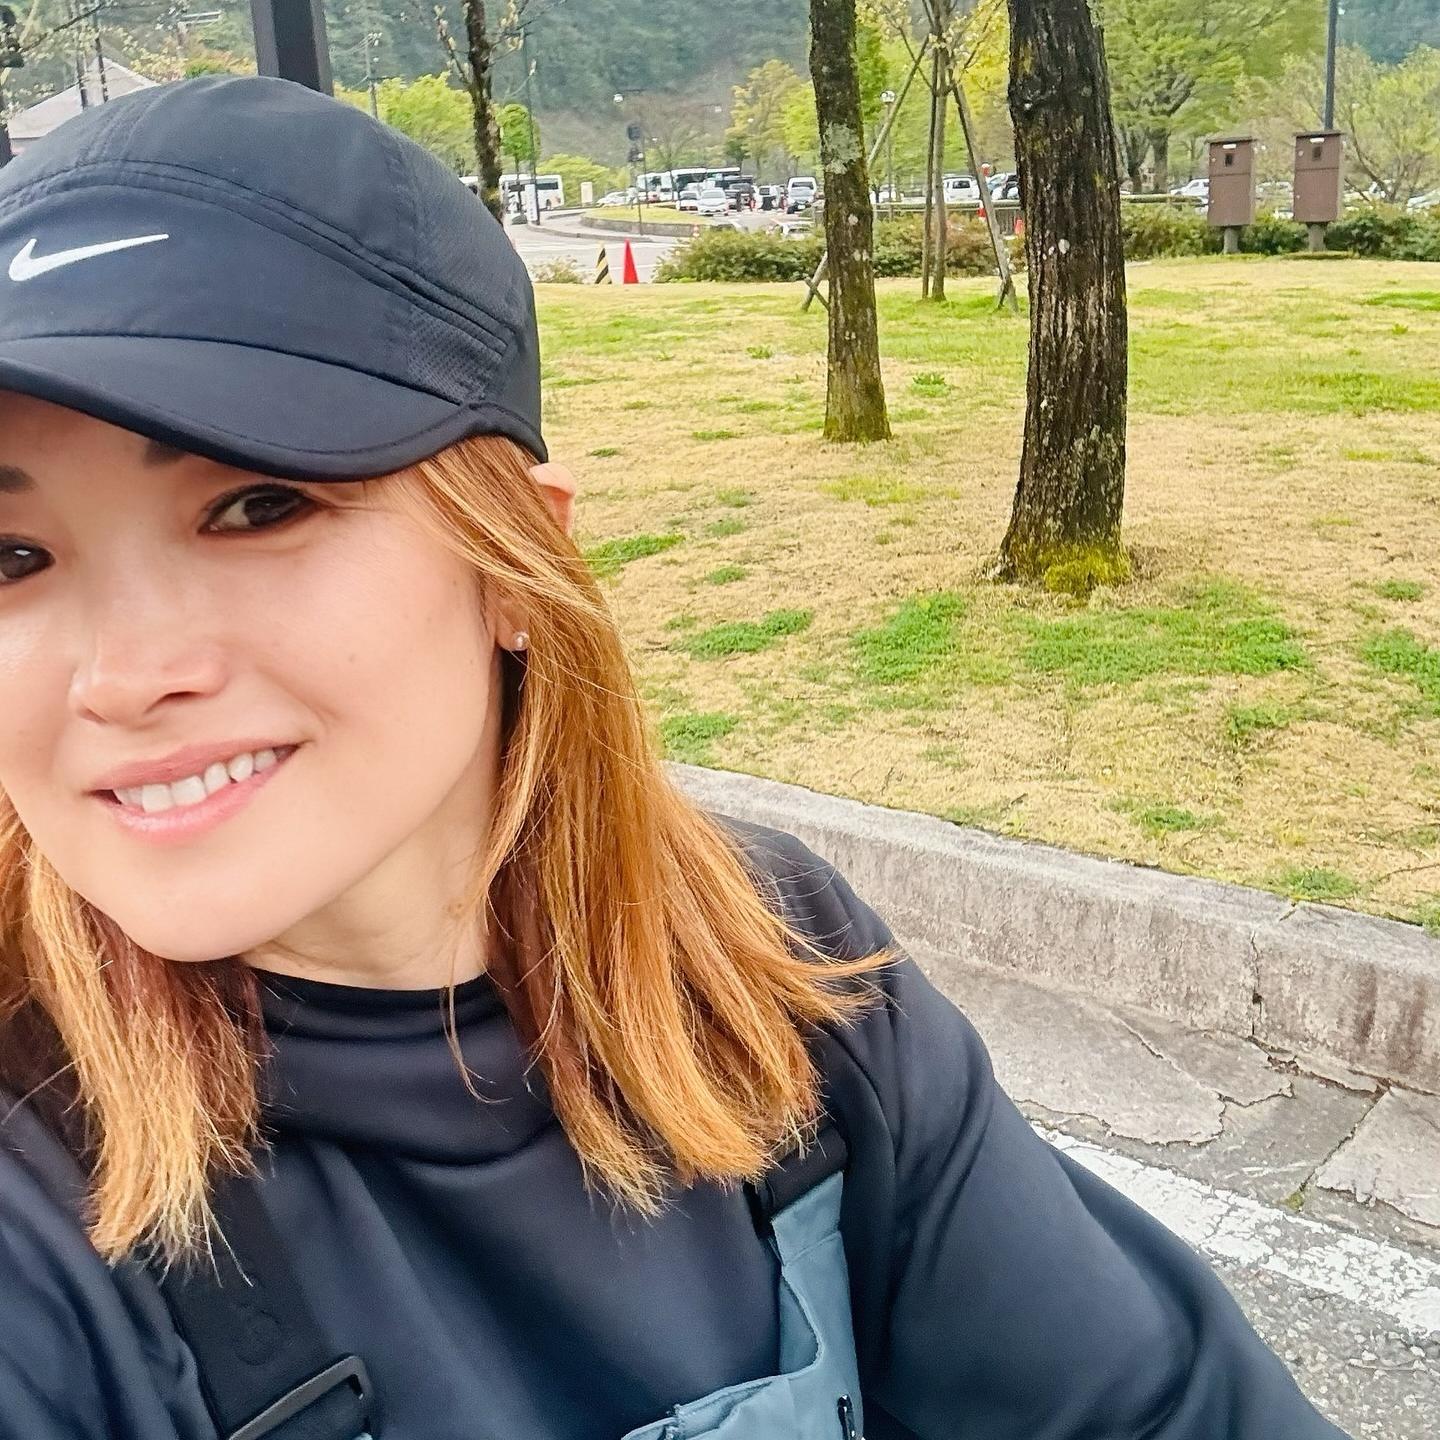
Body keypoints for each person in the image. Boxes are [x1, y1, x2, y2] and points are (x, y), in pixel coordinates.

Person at [0, 75, 1350, 1440]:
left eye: (255, 504)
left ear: (517, 563)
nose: (119, 677)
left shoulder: (766, 954)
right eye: (12, 557)